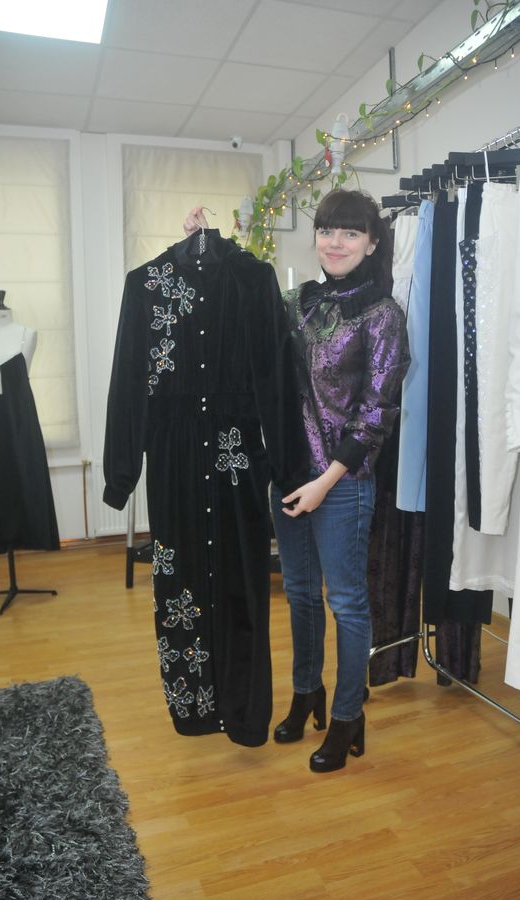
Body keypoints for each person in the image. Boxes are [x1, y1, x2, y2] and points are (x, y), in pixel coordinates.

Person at [184, 189, 410, 772]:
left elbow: (376, 414)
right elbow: (240, 302)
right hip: (287, 476)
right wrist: (203, 245)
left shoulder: (383, 315)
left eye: (351, 233)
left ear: (372, 243)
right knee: (301, 595)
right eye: (327, 230)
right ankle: (306, 691)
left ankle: (347, 715)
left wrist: (325, 482)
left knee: (347, 604)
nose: (336, 242)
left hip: (341, 482)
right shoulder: (296, 302)